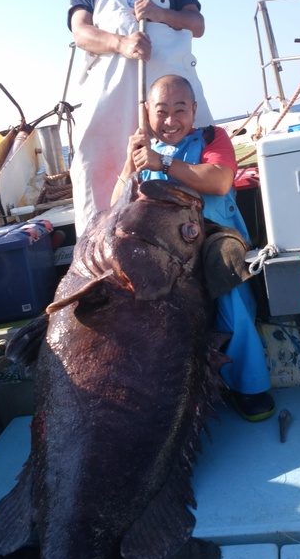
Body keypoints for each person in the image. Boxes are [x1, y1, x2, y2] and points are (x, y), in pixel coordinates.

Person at [112, 74, 275, 422]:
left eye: (180, 110)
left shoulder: (212, 138)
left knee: (226, 273)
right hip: (163, 247)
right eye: (161, 111)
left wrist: (164, 163)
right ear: (147, 112)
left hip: (213, 236)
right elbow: (116, 207)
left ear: (194, 110)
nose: (171, 121)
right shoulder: (142, 152)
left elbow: (219, 181)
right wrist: (131, 160)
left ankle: (249, 385)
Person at [68, 0, 213, 237]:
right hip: (113, 110)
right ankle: (100, 250)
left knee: (192, 164)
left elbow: (197, 24)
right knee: (101, 176)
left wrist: (162, 15)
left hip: (174, 105)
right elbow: (81, 32)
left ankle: (202, 237)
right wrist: (121, 43)